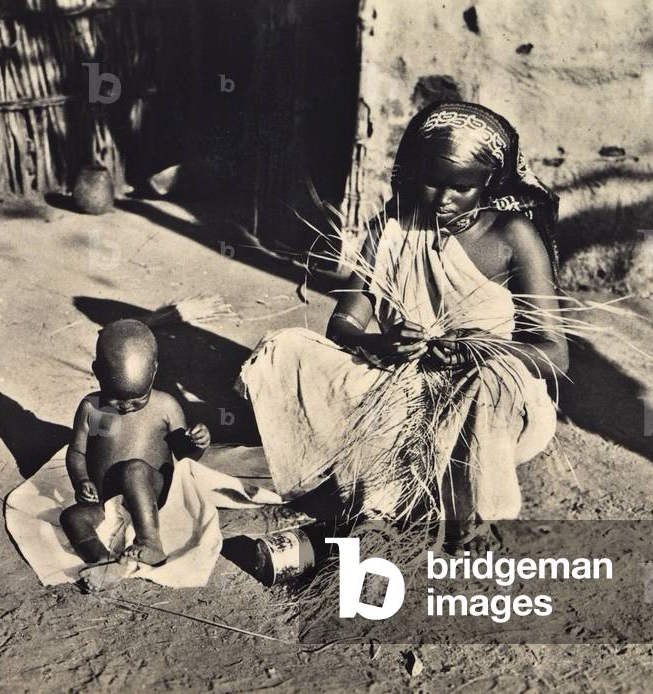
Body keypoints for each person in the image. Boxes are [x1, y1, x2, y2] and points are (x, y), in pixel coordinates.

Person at [239, 101, 566, 550]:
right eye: (432, 181)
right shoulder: (392, 227)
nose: (443, 198)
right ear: (414, 171)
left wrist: (483, 350)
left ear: (489, 182)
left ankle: (465, 512)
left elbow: (553, 354)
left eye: (462, 187)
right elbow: (344, 327)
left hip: (487, 403)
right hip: (400, 384)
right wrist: (382, 343)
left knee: (489, 384)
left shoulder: (514, 236)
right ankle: (384, 502)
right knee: (288, 348)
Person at [60, 319, 211, 591]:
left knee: (134, 470)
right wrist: (82, 480)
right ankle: (103, 562)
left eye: (137, 399)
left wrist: (197, 443)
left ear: (154, 372)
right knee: (71, 518)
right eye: (116, 399)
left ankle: (150, 542)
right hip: (106, 499)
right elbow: (77, 451)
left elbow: (186, 456)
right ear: (97, 373)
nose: (127, 406)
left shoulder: (166, 406)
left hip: (151, 494)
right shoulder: (90, 408)